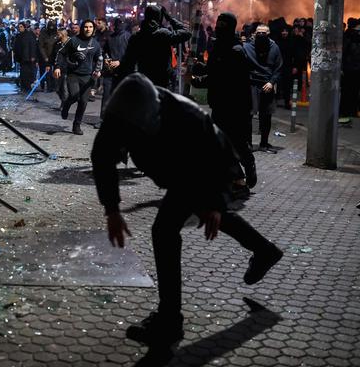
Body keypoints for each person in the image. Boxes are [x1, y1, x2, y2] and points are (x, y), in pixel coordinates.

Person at [91, 73, 283, 347]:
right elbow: (102, 157)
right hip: (174, 171)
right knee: (198, 212)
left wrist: (217, 203)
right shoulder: (120, 113)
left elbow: (221, 155)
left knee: (165, 230)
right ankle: (264, 250)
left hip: (196, 170)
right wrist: (112, 210)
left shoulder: (186, 115)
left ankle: (169, 322)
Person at [192, 12, 257, 192]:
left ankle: (248, 167)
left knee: (236, 143)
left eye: (223, 25)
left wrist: (199, 81)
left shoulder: (236, 51)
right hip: (219, 104)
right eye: (218, 24)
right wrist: (200, 68)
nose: (218, 28)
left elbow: (223, 78)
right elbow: (214, 70)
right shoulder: (218, 46)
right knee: (220, 144)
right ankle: (237, 179)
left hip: (235, 107)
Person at [114, 5, 191, 89]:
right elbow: (186, 33)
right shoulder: (163, 34)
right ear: (158, 18)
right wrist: (169, 18)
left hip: (144, 83)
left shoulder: (136, 37)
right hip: (162, 82)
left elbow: (128, 63)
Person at [53, 19, 103, 135]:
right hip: (73, 74)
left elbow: (99, 59)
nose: (88, 29)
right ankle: (66, 105)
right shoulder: (73, 41)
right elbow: (61, 53)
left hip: (87, 76)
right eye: (86, 27)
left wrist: (98, 71)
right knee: (75, 95)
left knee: (83, 102)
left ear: (93, 29)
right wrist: (57, 67)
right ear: (82, 28)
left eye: (90, 27)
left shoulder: (95, 44)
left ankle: (76, 125)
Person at [243, 24, 283, 153]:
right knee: (248, 115)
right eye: (258, 32)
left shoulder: (274, 48)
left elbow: (278, 67)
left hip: (267, 85)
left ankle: (264, 143)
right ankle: (248, 143)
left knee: (266, 116)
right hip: (251, 84)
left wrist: (271, 82)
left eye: (263, 33)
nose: (261, 35)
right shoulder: (247, 47)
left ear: (268, 34)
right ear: (255, 33)